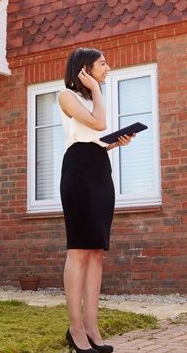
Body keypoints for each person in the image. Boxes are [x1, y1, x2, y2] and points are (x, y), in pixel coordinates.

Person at [58, 47, 134, 353]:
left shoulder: (92, 98)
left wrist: (116, 143)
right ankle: (75, 328)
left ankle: (92, 327)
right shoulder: (66, 95)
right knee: (78, 250)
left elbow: (97, 139)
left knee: (97, 252)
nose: (107, 68)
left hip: (100, 170)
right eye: (102, 64)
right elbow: (99, 125)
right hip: (77, 172)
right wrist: (96, 89)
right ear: (85, 69)